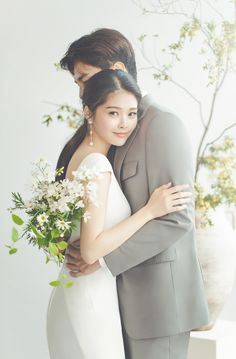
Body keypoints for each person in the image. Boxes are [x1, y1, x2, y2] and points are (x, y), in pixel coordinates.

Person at [50, 29, 209, 359]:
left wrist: (103, 260)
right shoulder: (107, 132)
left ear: (118, 70)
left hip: (159, 304)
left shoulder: (162, 125)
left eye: (85, 79)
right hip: (113, 302)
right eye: (78, 84)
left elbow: (177, 218)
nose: (82, 91)